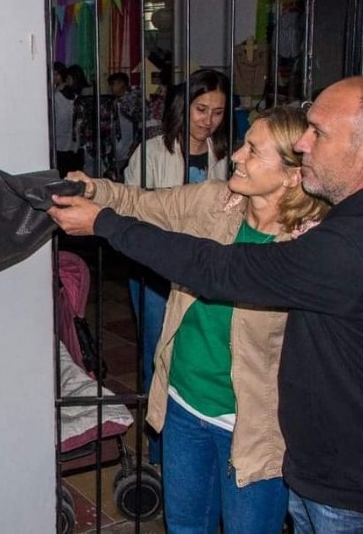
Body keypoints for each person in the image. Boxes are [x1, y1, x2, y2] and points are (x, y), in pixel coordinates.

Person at [47, 76, 363, 533]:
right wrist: (95, 192)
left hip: (253, 428)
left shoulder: (312, 246)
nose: (235, 154)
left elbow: (217, 269)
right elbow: (145, 202)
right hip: (185, 407)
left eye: (253, 151)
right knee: (186, 526)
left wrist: (101, 224)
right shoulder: (218, 203)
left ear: (294, 175)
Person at [125, 68, 231, 467]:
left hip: (207, 272)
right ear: (182, 106)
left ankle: (193, 447)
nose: (208, 120)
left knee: (198, 355)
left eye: (218, 112)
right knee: (158, 354)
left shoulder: (227, 156)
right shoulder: (151, 152)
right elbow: (131, 211)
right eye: (201, 108)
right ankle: (160, 453)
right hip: (156, 272)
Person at [106, 72, 142, 180]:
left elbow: (139, 123)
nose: (112, 87)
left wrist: (135, 144)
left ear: (122, 84)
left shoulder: (132, 101)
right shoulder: (114, 103)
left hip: (129, 147)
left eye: (114, 84)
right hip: (117, 149)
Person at [52, 61, 80, 177]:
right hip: (71, 144)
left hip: (61, 143)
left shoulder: (57, 96)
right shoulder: (71, 95)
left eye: (55, 74)